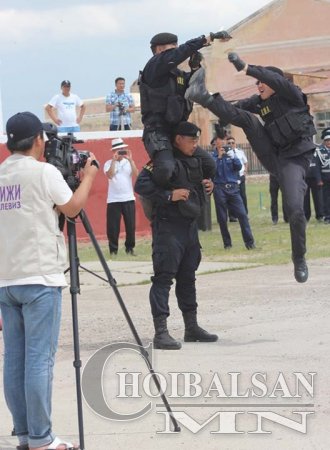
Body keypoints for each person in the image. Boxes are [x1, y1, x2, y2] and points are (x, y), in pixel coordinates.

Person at [0, 112, 98, 450]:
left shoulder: (1, 175)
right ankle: (43, 438)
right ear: (38, 140)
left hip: (7, 280)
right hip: (40, 278)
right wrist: (88, 178)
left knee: (14, 360)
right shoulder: (45, 172)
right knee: (39, 360)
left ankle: (25, 433)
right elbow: (71, 210)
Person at [185, 60, 316, 283]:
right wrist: (212, 105)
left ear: (277, 83)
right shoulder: (259, 103)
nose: (259, 86)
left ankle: (299, 258)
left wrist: (247, 68)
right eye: (256, 83)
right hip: (275, 156)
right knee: (248, 119)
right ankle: (201, 94)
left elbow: (274, 78)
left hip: (295, 161)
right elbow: (234, 111)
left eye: (262, 82)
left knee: (295, 210)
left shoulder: (292, 95)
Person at [134, 121, 218, 350]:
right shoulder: (163, 163)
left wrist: (209, 185)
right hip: (168, 228)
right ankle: (161, 332)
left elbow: (199, 183)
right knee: (163, 278)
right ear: (178, 139)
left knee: (188, 277)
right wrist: (169, 195)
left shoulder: (195, 160)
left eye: (196, 140)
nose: (195, 145)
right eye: (191, 140)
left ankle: (191, 327)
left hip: (189, 228)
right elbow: (140, 185)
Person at [139, 30, 231, 185]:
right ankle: (157, 195)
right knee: (166, 168)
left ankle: (192, 194)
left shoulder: (178, 75)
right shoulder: (153, 68)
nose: (177, 49)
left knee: (209, 165)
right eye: (172, 47)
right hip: (158, 131)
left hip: (179, 132)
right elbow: (180, 53)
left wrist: (195, 68)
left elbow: (192, 88)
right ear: (159, 50)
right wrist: (205, 39)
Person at [212, 134, 255, 250]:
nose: (223, 142)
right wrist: (219, 157)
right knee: (222, 218)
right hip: (220, 188)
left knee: (242, 215)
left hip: (233, 188)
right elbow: (211, 171)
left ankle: (250, 243)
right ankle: (227, 244)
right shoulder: (212, 156)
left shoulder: (231, 153)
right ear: (216, 142)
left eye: (224, 140)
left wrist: (234, 156)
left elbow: (238, 166)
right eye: (221, 140)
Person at [104, 138, 138, 255]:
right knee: (113, 227)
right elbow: (110, 175)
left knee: (130, 226)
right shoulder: (108, 163)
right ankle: (113, 250)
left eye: (122, 149)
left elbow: (136, 175)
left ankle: (130, 248)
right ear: (113, 151)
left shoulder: (128, 162)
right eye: (118, 150)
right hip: (113, 200)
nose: (120, 152)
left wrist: (131, 160)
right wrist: (114, 161)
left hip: (128, 198)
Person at [226, 135, 249, 214]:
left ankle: (245, 212)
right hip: (232, 177)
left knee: (242, 194)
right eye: (229, 143)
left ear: (235, 143)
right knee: (232, 195)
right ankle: (233, 215)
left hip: (241, 175)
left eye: (233, 142)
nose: (231, 144)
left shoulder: (240, 152)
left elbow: (245, 162)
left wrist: (245, 171)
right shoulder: (226, 154)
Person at [304, 149, 324, 222]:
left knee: (318, 197)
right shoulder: (302, 150)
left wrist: (319, 178)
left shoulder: (317, 150)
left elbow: (320, 164)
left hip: (315, 177)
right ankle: (306, 216)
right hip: (305, 177)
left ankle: (319, 215)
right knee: (305, 198)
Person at [318, 128, 330, 223]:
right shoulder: (319, 151)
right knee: (325, 198)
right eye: (327, 140)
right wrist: (319, 179)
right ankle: (327, 216)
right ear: (324, 141)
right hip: (325, 178)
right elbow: (316, 167)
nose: (329, 142)